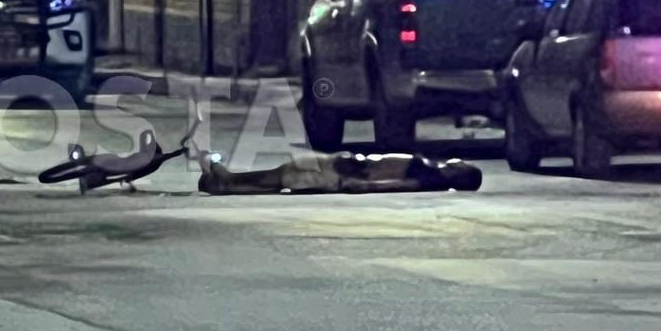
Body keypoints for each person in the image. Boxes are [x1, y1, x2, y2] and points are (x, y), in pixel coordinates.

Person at [197, 149, 482, 195]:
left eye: (462, 166)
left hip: (337, 173)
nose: (458, 161)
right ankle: (224, 181)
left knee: (281, 177)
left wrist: (359, 184)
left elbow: (397, 184)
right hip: (340, 166)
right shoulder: (430, 170)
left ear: (460, 174)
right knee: (280, 178)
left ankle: (225, 177)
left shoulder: (428, 179)